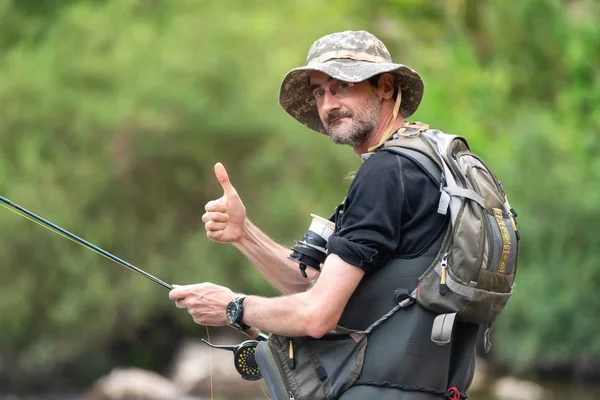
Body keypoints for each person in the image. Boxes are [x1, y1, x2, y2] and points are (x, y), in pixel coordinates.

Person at [169, 30, 479, 399]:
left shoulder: (386, 173)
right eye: (319, 91)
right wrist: (244, 233)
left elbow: (316, 315)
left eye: (342, 86)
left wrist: (233, 307)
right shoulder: (430, 160)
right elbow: (315, 284)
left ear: (384, 86)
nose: (329, 104)